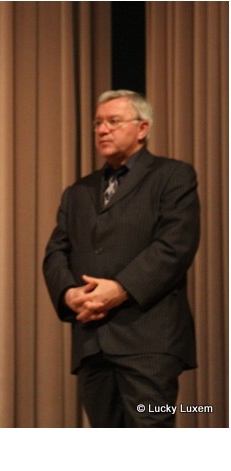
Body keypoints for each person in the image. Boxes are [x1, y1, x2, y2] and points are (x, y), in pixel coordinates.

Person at [42, 90, 200, 427]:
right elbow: (56, 252)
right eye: (98, 123)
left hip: (149, 338)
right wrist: (69, 293)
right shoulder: (78, 192)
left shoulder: (173, 176)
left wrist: (121, 289)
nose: (102, 130)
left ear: (142, 128)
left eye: (113, 121)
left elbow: (174, 246)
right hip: (92, 340)